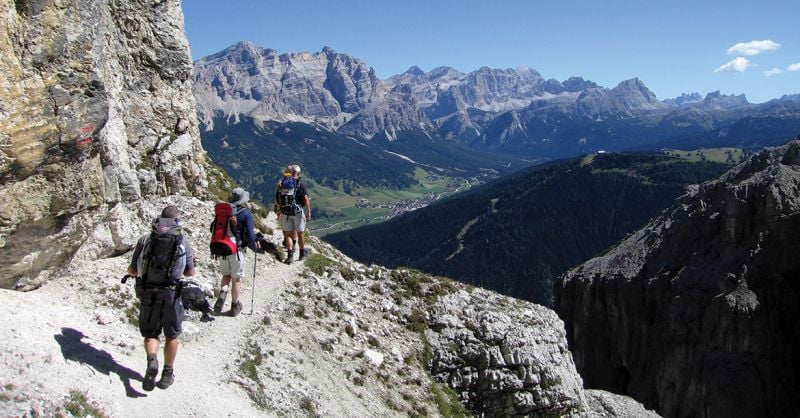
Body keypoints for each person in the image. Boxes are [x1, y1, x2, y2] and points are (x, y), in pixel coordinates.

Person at [127, 205, 194, 391]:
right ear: (176, 221)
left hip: (148, 291)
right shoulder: (182, 241)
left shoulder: (146, 239)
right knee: (172, 335)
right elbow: (190, 272)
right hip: (171, 294)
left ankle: (152, 360)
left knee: (151, 333)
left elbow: (132, 270)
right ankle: (167, 374)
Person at [213, 187, 259, 316]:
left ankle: (223, 291)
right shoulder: (245, 213)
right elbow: (250, 236)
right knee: (236, 279)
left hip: (222, 248)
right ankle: (234, 306)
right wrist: (255, 247)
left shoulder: (223, 211)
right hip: (236, 250)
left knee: (226, 275)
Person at [275, 164, 311, 264]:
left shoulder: (283, 183)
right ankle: (302, 254)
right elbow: (306, 199)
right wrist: (309, 211)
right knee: (300, 233)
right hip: (297, 211)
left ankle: (290, 256)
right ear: (298, 173)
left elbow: (278, 198)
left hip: (285, 212)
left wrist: (279, 211)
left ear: (290, 173)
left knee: (288, 234)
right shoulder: (300, 183)